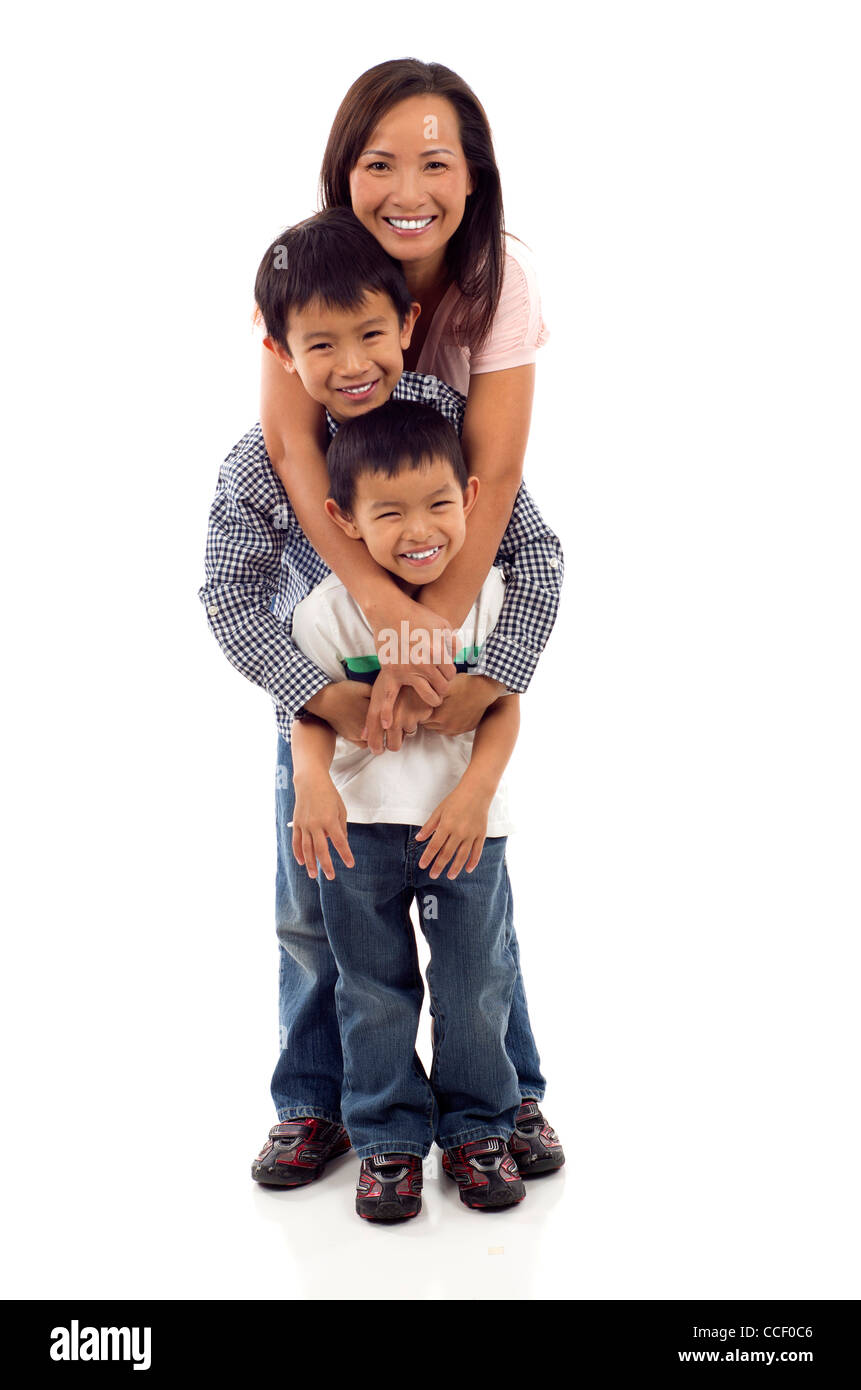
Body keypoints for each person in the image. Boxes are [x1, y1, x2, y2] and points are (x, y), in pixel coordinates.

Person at [200, 209, 564, 1189]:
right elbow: (227, 595)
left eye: (371, 335)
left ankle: (505, 1095)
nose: (352, 363)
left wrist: (495, 673)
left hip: (453, 711)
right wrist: (319, 699)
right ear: (278, 349)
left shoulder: (443, 419)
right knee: (312, 918)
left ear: (406, 323)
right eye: (320, 345)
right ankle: (318, 1106)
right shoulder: (262, 463)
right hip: (322, 718)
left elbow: (529, 548)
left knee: (476, 922)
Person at [290, 398, 538, 1221]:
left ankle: (478, 1128)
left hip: (464, 833)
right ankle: (387, 1137)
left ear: (469, 497)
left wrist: (474, 796)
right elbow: (308, 710)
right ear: (343, 521)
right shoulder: (327, 611)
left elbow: (504, 707)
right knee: (373, 990)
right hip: (359, 835)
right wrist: (313, 784)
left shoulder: (489, 594)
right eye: (387, 511)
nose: (418, 528)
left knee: (474, 983)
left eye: (436, 503)